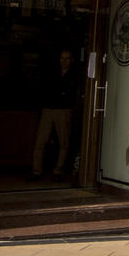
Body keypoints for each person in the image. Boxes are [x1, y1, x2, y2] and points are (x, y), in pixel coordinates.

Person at [29, 48, 77, 181]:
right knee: (40, 141)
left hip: (64, 110)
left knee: (64, 141)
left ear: (71, 60)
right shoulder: (52, 72)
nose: (64, 61)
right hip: (48, 108)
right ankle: (36, 171)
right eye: (62, 58)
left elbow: (72, 94)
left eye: (67, 58)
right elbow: (45, 89)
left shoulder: (74, 75)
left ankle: (58, 170)